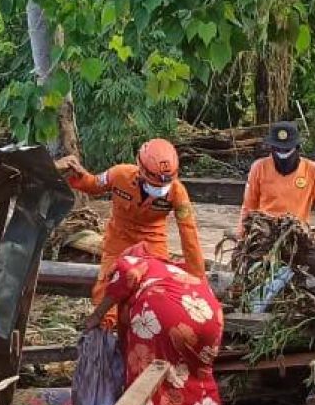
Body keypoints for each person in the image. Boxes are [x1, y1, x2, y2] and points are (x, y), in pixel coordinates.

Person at [84, 243, 235, 405]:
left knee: (141, 396)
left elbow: (126, 273)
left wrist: (97, 315)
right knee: (198, 382)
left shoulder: (136, 262)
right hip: (208, 317)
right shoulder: (173, 271)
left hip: (160, 313)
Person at [56, 139, 205, 328]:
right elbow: (93, 184)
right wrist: (76, 174)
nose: (157, 190)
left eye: (162, 187)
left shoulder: (177, 193)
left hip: (153, 247)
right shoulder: (119, 175)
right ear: (140, 168)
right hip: (118, 242)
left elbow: (189, 234)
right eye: (154, 184)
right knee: (107, 292)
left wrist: (198, 279)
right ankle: (105, 337)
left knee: (155, 298)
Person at [238, 121, 315, 233]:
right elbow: (249, 206)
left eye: (287, 149)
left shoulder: (313, 170)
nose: (282, 153)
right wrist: (242, 235)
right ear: (271, 147)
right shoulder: (259, 168)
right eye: (278, 149)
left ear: (297, 147)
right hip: (265, 232)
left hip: (298, 233)